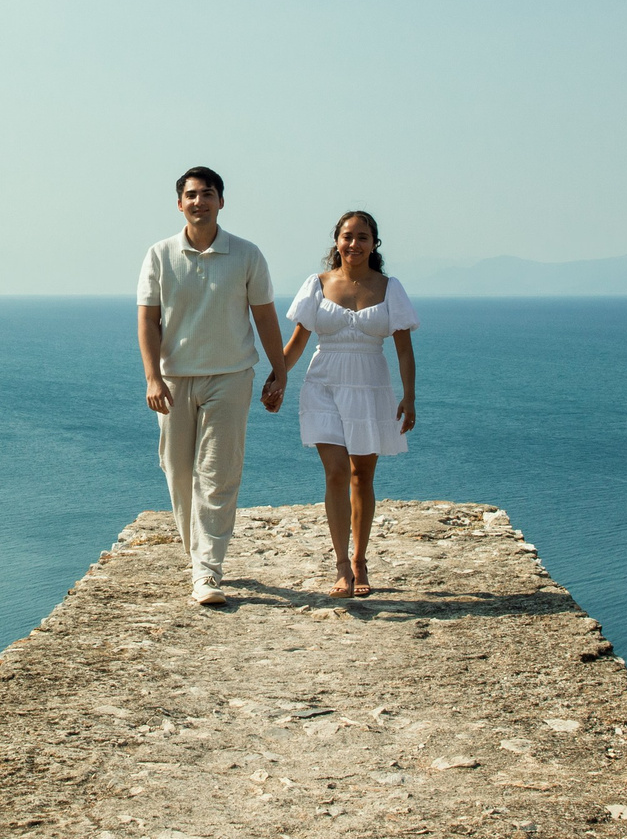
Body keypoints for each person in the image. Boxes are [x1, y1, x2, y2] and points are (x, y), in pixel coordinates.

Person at [137, 166, 290, 607]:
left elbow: (264, 315)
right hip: (174, 378)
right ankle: (196, 553)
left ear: (221, 201)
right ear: (179, 203)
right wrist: (152, 377)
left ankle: (207, 571)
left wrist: (279, 372)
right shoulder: (160, 254)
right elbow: (149, 319)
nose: (199, 201)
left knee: (218, 474)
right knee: (177, 470)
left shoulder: (246, 255)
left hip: (231, 375)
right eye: (191, 195)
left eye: (208, 194)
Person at [281, 210, 418, 597]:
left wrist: (409, 397)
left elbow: (404, 351)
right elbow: (297, 343)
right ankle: (342, 565)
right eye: (347, 236)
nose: (354, 244)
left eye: (362, 237)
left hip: (370, 385)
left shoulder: (390, 288)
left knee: (362, 475)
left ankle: (360, 560)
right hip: (323, 382)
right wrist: (278, 376)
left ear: (374, 243)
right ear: (336, 241)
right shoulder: (318, 284)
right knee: (337, 472)